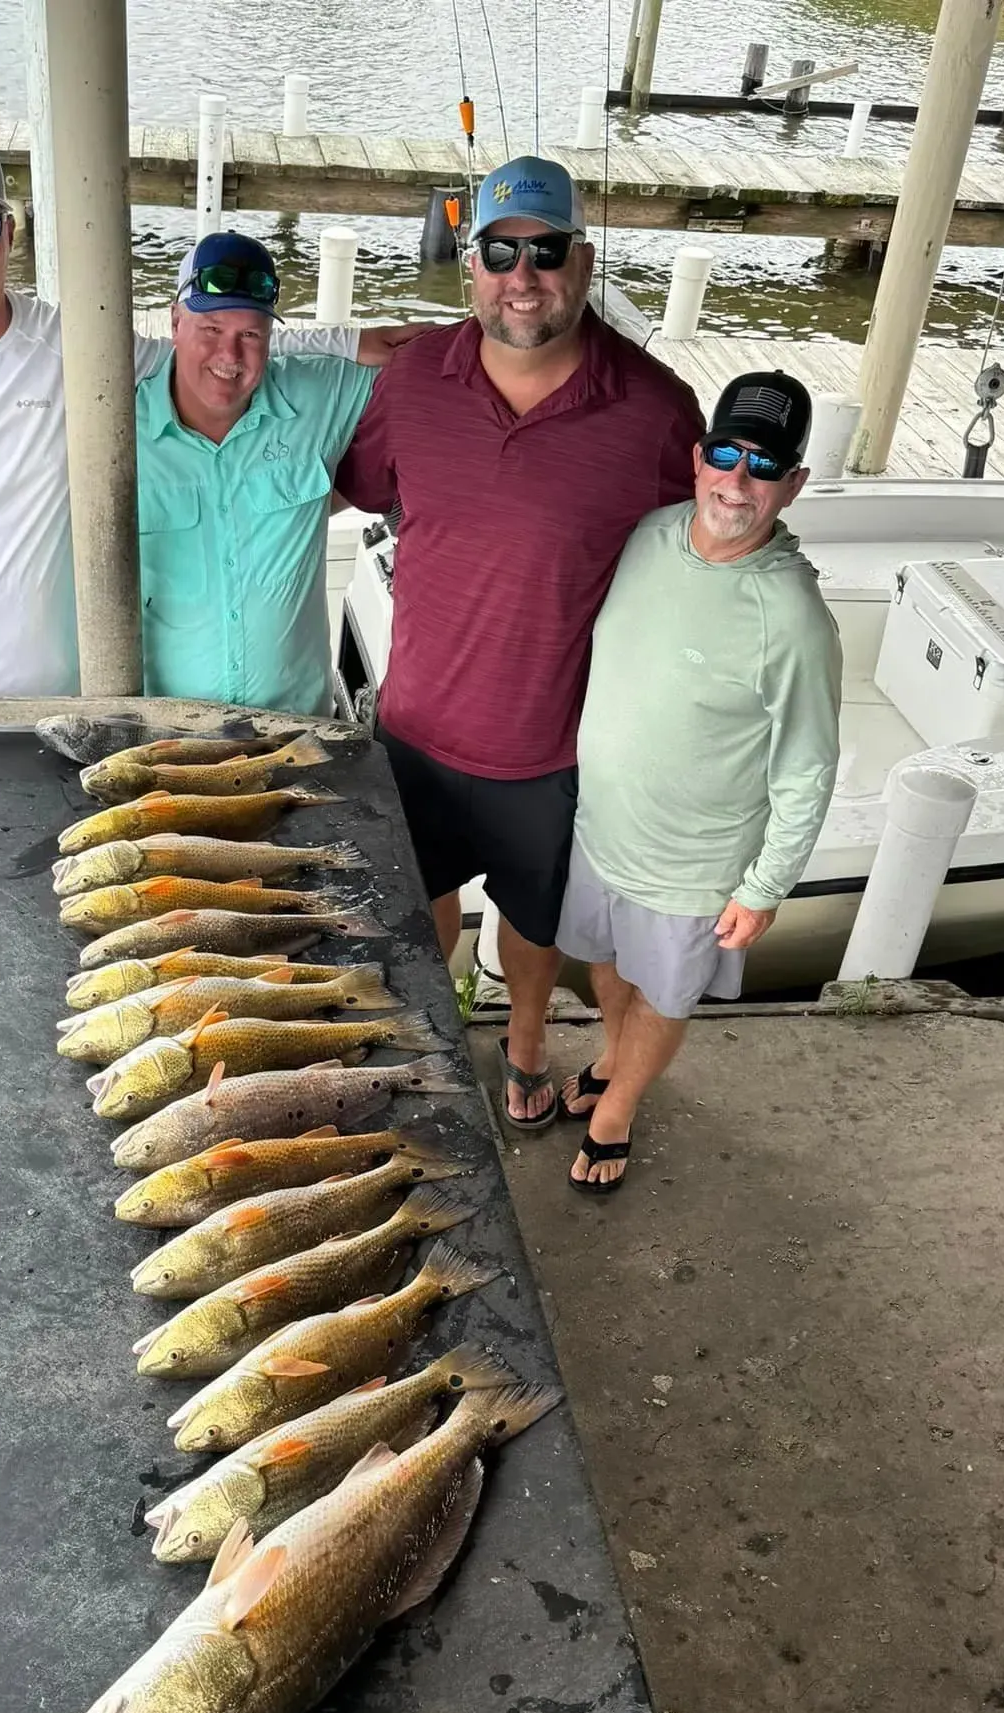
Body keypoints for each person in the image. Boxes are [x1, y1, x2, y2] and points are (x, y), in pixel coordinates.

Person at [0, 134, 415, 739]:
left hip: (76, 705)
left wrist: (351, 340)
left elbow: (210, 346)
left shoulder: (75, 344)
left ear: (8, 235)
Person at [336, 155, 704, 1134]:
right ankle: (425, 1027)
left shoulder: (659, 412)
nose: (523, 275)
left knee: (536, 925)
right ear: (471, 266)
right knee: (424, 903)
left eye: (545, 251)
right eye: (501, 251)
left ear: (581, 263)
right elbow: (340, 484)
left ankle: (528, 1040)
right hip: (415, 724)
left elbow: (704, 564)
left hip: (556, 746)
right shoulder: (412, 379)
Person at [556, 371, 843, 1194]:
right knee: (605, 965)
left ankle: (619, 1112)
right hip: (600, 831)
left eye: (764, 466)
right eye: (726, 453)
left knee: (663, 995)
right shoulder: (646, 536)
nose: (738, 480)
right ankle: (611, 1059)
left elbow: (808, 765)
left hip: (693, 868)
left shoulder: (793, 618)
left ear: (794, 486)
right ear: (696, 458)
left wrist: (765, 887)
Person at [135, 232, 374, 714]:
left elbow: (438, 364)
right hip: (165, 741)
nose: (229, 356)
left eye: (250, 335)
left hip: (298, 732)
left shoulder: (322, 395)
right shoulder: (113, 429)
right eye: (211, 329)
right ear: (175, 322)